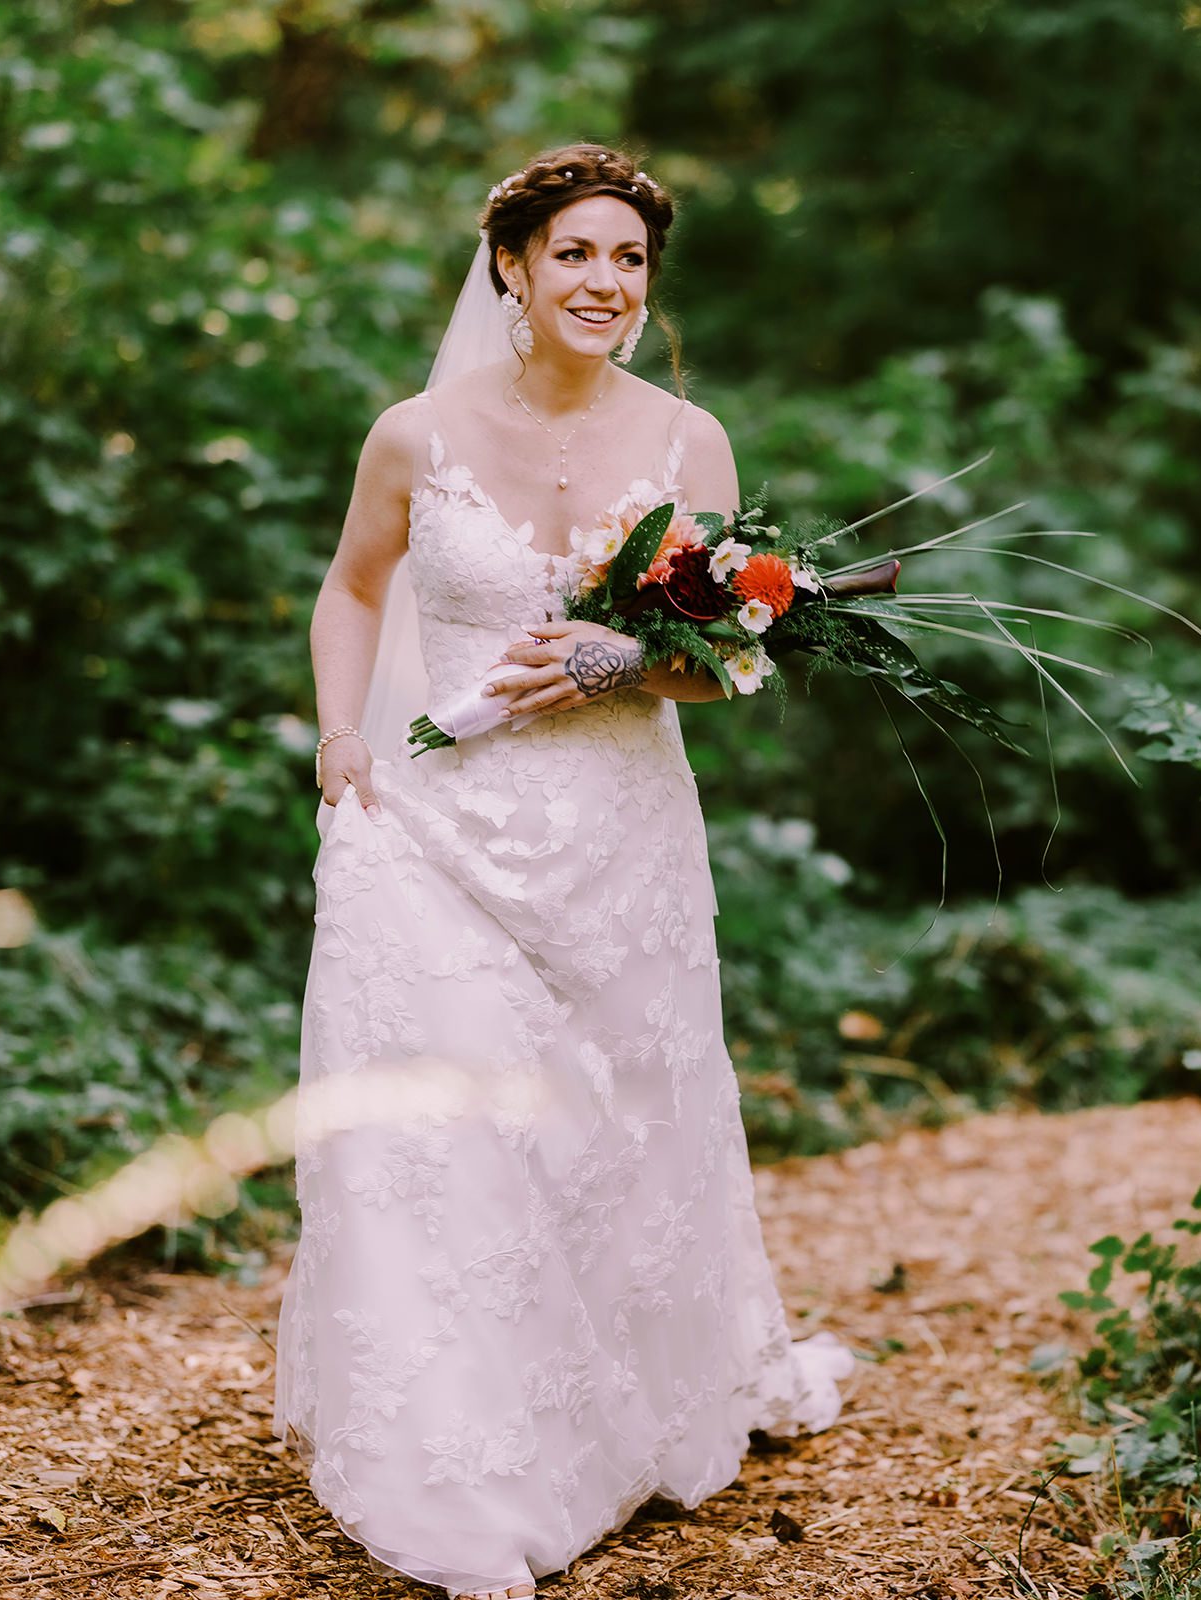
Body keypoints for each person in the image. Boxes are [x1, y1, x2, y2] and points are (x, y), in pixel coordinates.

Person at [273, 143, 857, 1599]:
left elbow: (734, 665)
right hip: (434, 827)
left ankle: (620, 1408)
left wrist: (624, 657)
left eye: (631, 262)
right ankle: (464, 1455)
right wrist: (340, 737)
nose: (607, 284)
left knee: (614, 1134)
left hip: (619, 844)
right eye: (579, 256)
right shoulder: (414, 434)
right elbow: (352, 589)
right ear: (514, 271)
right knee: (443, 1138)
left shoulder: (688, 442)